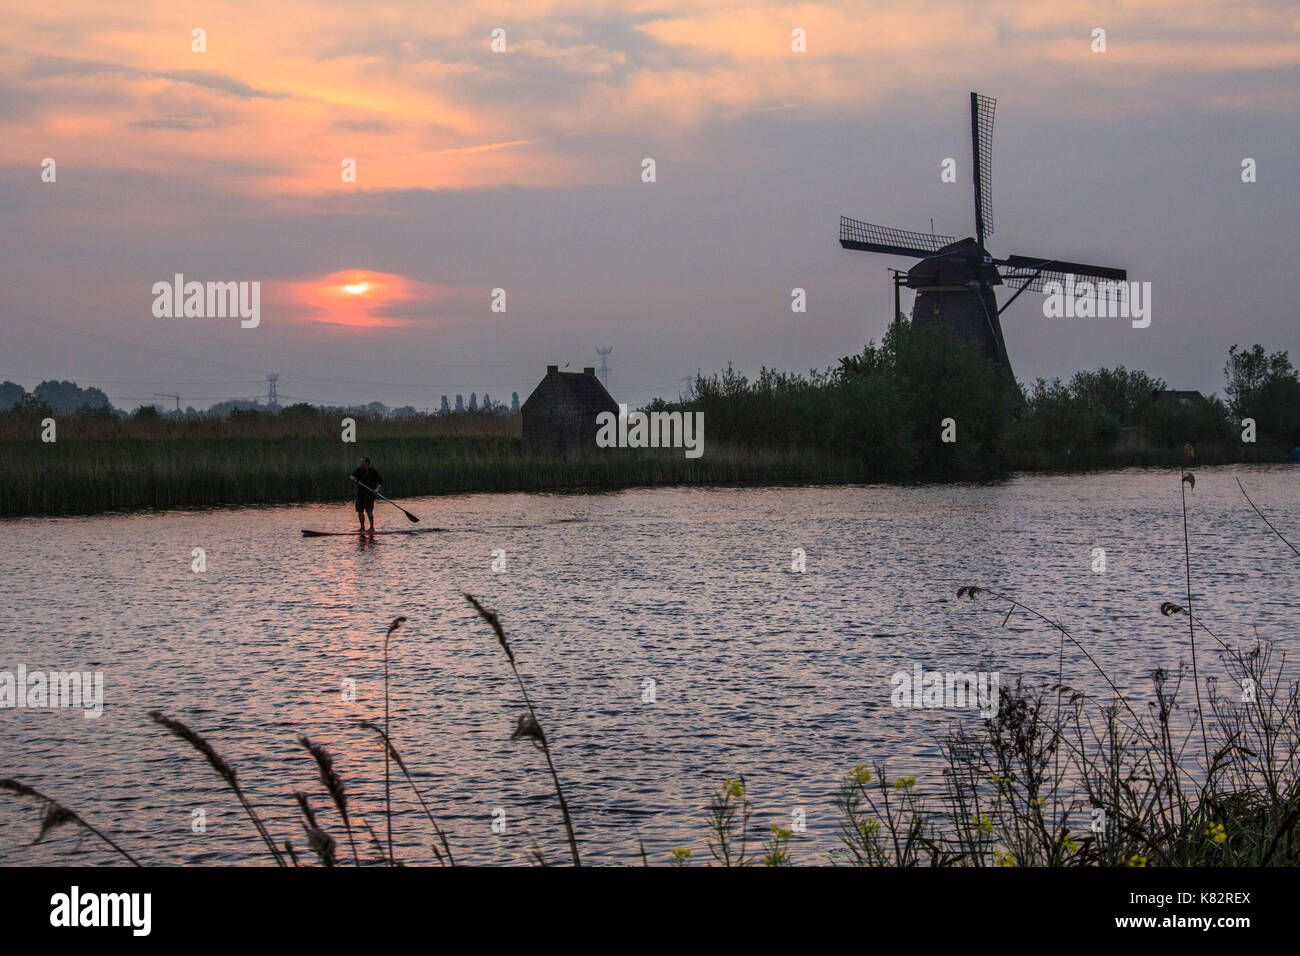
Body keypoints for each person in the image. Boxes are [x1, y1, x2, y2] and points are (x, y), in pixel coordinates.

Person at [350, 457, 383, 534]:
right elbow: (352, 476)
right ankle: (362, 528)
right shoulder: (359, 470)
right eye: (360, 462)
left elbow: (380, 481)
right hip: (360, 493)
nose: (361, 463)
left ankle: (372, 528)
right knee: (359, 510)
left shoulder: (372, 471)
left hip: (369, 493)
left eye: (362, 462)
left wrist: (377, 489)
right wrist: (353, 478)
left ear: (367, 463)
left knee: (369, 511)